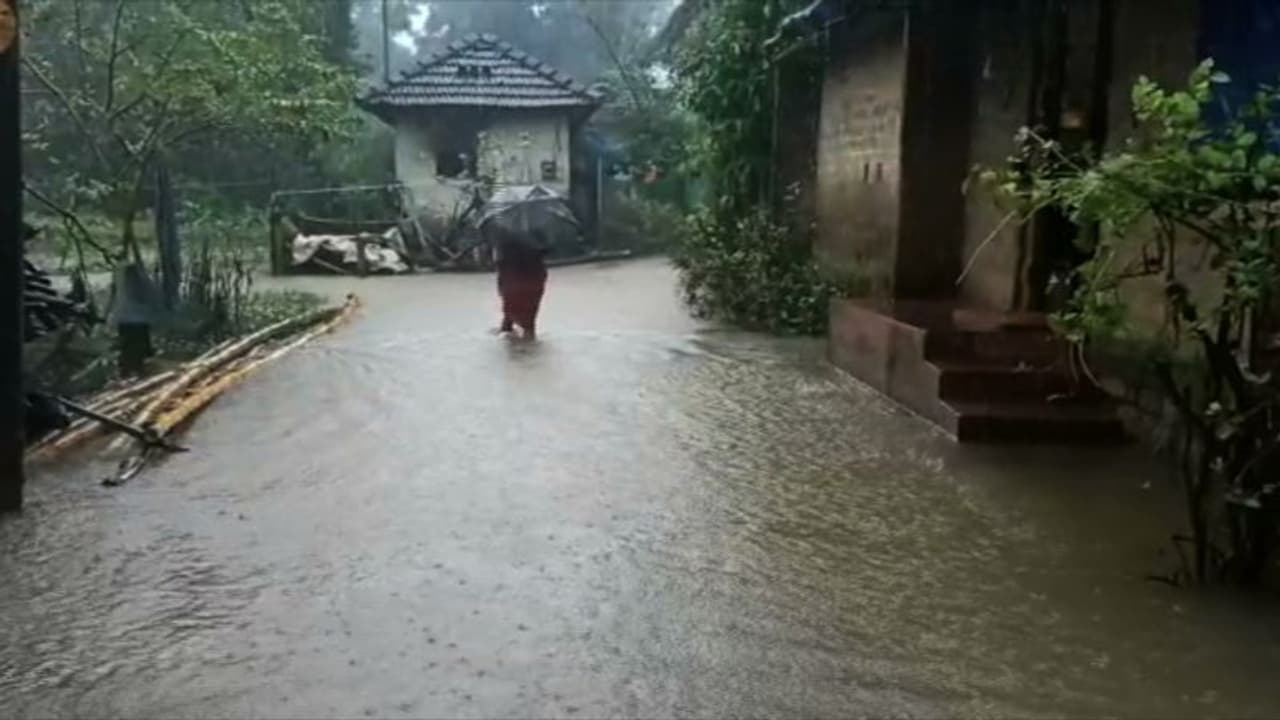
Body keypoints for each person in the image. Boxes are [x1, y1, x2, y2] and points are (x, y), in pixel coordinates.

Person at [495, 231, 548, 341]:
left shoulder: (505, 238)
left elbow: (501, 268)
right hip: (533, 284)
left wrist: (501, 287)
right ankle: (530, 346)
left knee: (509, 316)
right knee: (529, 322)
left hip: (513, 284)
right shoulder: (537, 236)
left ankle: (511, 338)